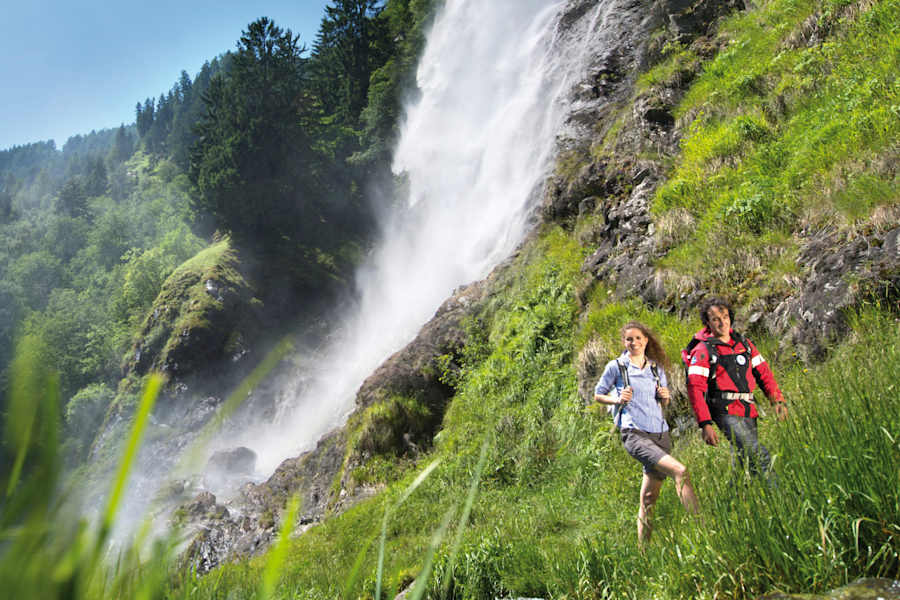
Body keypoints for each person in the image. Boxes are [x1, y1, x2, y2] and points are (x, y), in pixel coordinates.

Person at [594, 321, 700, 546]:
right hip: (635, 434)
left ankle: (643, 554)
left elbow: (664, 401)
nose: (634, 343)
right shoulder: (617, 367)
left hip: (661, 434)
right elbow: (598, 394)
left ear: (646, 340)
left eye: (638, 338)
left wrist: (665, 395)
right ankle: (704, 530)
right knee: (681, 471)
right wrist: (617, 399)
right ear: (624, 343)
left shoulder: (655, 368)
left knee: (648, 499)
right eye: (629, 339)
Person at [685, 297, 788, 480]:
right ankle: (787, 497)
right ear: (707, 323)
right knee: (759, 455)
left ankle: (739, 501)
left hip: (748, 410)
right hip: (724, 411)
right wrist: (705, 423)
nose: (721, 322)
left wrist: (777, 400)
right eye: (715, 319)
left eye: (725, 316)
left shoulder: (745, 344)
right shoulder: (702, 350)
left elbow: (764, 374)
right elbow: (695, 389)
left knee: (745, 464)